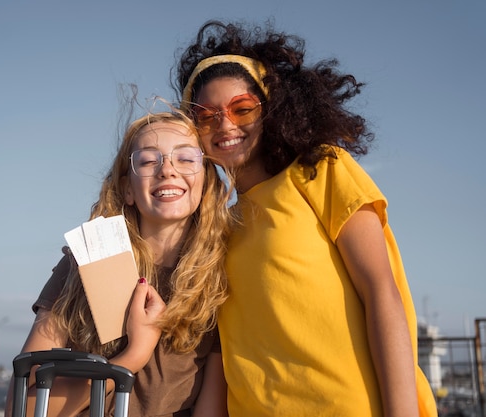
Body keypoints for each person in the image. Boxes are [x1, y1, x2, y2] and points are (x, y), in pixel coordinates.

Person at [172, 20, 438, 416]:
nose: (225, 125)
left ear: (272, 109)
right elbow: (222, 358)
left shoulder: (319, 170)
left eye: (242, 109)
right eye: (206, 116)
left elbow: (381, 290)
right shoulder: (216, 228)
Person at [4, 110, 234, 417]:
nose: (167, 170)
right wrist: (132, 356)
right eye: (149, 161)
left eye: (186, 159)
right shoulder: (86, 262)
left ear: (205, 182)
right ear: (127, 188)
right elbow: (20, 409)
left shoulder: (218, 278)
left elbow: (211, 407)